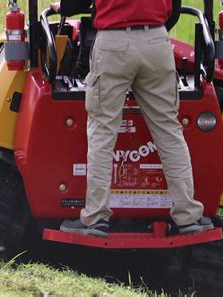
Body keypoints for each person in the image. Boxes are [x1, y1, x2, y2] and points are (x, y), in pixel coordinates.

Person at [55, 0, 214, 237]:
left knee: (102, 131)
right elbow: (175, 10)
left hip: (113, 43)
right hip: (157, 41)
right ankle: (189, 216)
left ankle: (96, 218)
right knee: (169, 131)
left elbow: (75, 3)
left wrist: (62, 7)